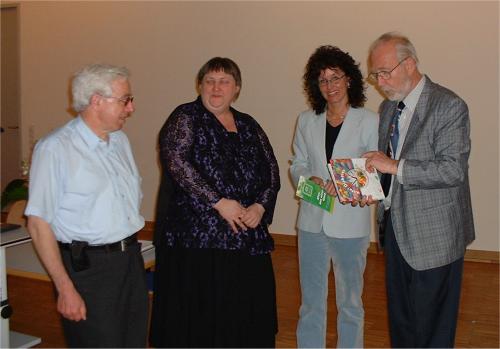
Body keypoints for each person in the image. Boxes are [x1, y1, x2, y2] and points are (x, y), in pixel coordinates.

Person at [149, 57, 280, 348]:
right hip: (198, 241)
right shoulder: (185, 116)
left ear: (237, 89)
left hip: (248, 234)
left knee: (246, 316)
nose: (216, 87)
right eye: (210, 80)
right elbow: (177, 162)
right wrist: (220, 203)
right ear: (200, 85)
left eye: (224, 81)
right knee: (204, 321)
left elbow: (271, 170)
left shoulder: (248, 124)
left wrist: (260, 206)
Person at [363, 32, 475, 347]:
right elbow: (388, 171)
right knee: (402, 323)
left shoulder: (449, 105)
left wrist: (394, 166)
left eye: (385, 72)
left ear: (410, 64)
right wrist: (369, 187)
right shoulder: (388, 108)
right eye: (375, 74)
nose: (379, 81)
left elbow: (452, 169)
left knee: (433, 329)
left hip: (435, 237)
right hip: (395, 231)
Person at [25, 64, 148, 347]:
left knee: (133, 342)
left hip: (129, 260)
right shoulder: (56, 148)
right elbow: (38, 222)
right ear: (96, 100)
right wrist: (64, 287)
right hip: (88, 270)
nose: (131, 108)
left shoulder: (120, 141)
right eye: (125, 99)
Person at [290, 45, 378, 348]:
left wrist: (340, 184)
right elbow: (297, 164)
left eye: (335, 77)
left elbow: (374, 173)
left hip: (351, 226)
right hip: (312, 222)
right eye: (323, 80)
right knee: (311, 302)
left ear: (349, 80)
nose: (330, 86)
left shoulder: (368, 121)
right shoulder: (306, 120)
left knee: (350, 303)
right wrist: (308, 178)